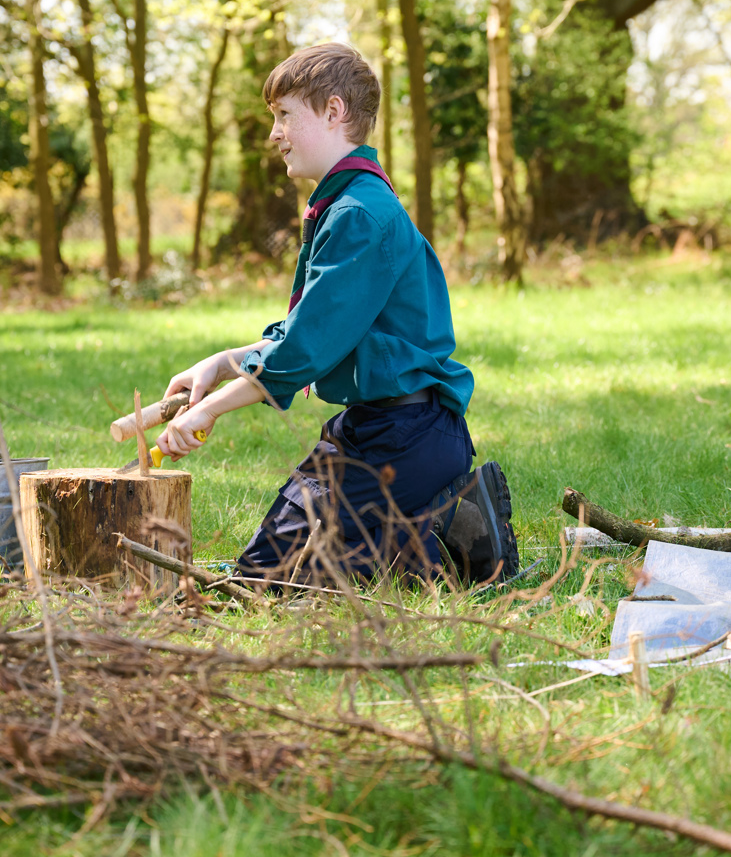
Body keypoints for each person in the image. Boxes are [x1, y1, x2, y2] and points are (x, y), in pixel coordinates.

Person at [153, 41, 518, 585]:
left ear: (333, 111)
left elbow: (305, 351)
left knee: (267, 582)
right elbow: (313, 328)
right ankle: (429, 529)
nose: (274, 134)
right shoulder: (345, 205)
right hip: (375, 427)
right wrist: (220, 363)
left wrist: (210, 410)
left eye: (283, 116)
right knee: (276, 571)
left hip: (406, 434)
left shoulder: (360, 214)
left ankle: (443, 535)